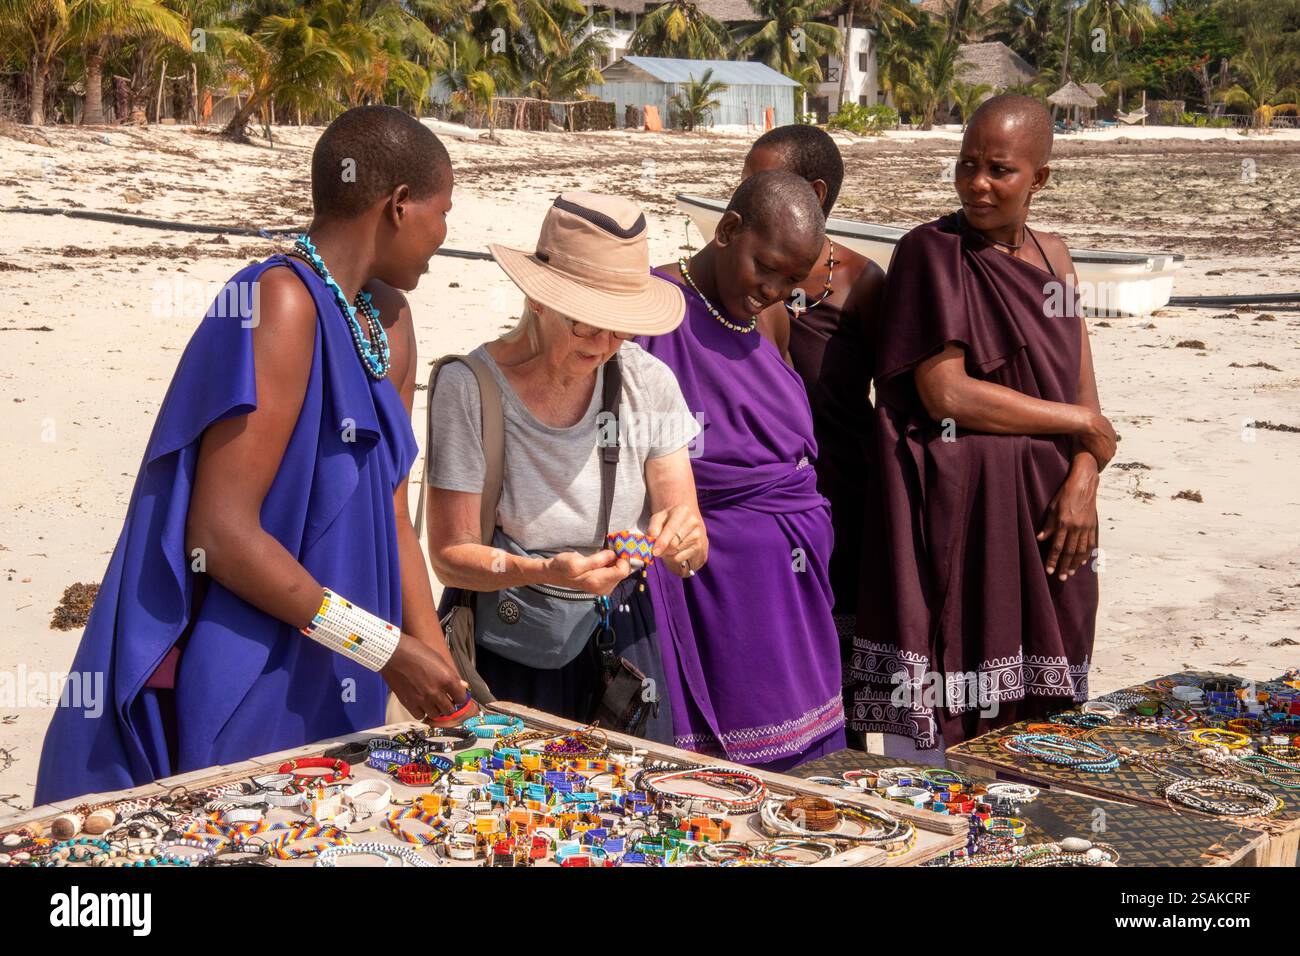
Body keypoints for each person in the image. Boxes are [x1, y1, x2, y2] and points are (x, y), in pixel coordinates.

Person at [34, 106, 468, 805]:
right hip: (261, 660)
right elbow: (222, 536)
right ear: (398, 206)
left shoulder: (385, 319)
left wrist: (439, 672)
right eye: (445, 212)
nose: (446, 237)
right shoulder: (279, 303)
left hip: (352, 666)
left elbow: (394, 510)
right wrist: (383, 648)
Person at [847, 95, 1115, 755]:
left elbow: (1086, 396)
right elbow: (945, 394)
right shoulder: (929, 253)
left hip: (1053, 505)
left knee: (1046, 718)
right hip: (963, 511)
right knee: (957, 719)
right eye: (967, 165)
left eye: (1000, 169)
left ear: (1039, 179)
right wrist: (1081, 423)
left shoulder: (1056, 260)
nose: (978, 184)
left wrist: (1084, 479)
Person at [424, 192, 705, 744]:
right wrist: (544, 572)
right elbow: (451, 558)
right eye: (585, 325)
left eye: (620, 328)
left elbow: (689, 538)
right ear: (537, 299)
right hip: (509, 634)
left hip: (623, 637)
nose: (603, 346)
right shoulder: (470, 387)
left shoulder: (649, 381)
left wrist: (683, 544)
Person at [637, 170, 846, 771]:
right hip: (706, 572)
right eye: (768, 268)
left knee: (801, 771)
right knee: (717, 771)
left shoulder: (769, 317)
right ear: (728, 230)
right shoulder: (653, 307)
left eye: (791, 281)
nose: (774, 291)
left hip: (795, 574)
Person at [742, 124, 886, 652]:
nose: (746, 195)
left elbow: (892, 403)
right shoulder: (738, 279)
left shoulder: (864, 285)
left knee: (835, 645)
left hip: (842, 494)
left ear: (816, 194)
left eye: (760, 182)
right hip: (758, 497)